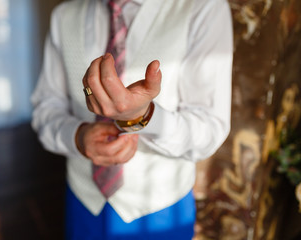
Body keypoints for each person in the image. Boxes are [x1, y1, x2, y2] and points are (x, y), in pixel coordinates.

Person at [31, 0, 233, 239]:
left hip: (160, 209)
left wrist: (142, 117)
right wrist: (76, 136)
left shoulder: (203, 7)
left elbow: (209, 127)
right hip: (83, 200)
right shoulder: (64, 15)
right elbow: (46, 108)